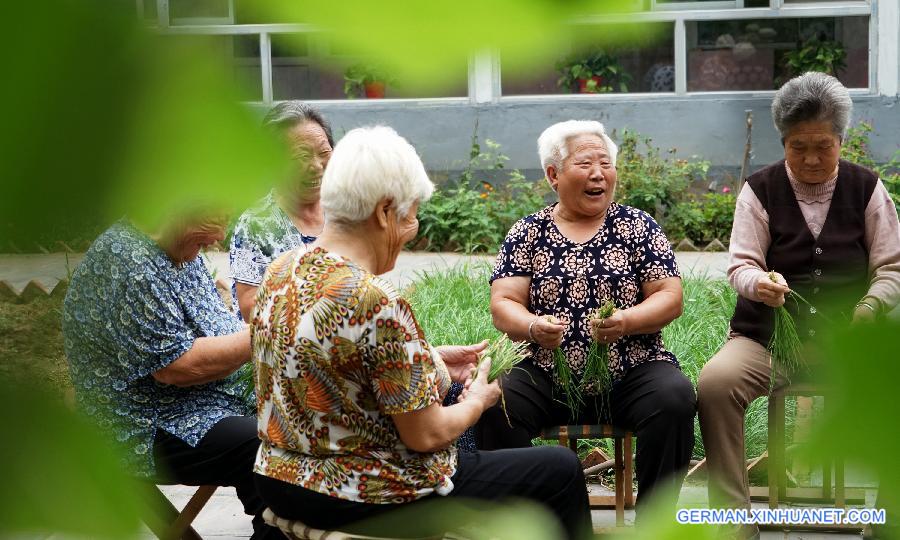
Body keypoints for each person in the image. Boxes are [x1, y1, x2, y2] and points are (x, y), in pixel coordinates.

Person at [250, 126, 592, 540]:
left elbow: (332, 358)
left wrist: (426, 356)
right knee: (560, 470)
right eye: (410, 215)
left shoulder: (282, 270)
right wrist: (478, 401)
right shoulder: (375, 299)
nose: (412, 229)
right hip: (360, 491)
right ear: (383, 211)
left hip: (278, 479)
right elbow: (426, 435)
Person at [697, 72, 900, 540]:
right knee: (715, 384)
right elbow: (741, 265)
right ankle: (733, 523)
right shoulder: (760, 190)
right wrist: (759, 284)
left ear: (841, 140)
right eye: (798, 146)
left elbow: (891, 269)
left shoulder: (868, 189)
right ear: (783, 141)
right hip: (765, 341)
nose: (811, 159)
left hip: (846, 341)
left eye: (823, 146)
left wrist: (870, 305)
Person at [475, 120, 696, 521]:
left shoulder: (637, 226)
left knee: (674, 398)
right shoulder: (528, 231)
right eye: (585, 164)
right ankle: (530, 521)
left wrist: (626, 321)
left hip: (630, 370)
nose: (598, 174)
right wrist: (532, 326)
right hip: (544, 372)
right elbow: (503, 301)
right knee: (493, 403)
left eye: (605, 163)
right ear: (553, 175)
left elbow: (670, 297)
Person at [63, 212, 285, 539]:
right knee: (263, 446)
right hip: (142, 423)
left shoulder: (175, 245)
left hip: (198, 399)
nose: (219, 236)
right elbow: (179, 368)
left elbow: (216, 328)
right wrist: (273, 326)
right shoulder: (132, 267)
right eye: (212, 219)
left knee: (302, 412)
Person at [229, 101, 333, 322]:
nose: (317, 165)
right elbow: (249, 307)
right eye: (302, 157)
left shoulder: (345, 209)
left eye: (324, 152)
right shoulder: (256, 223)